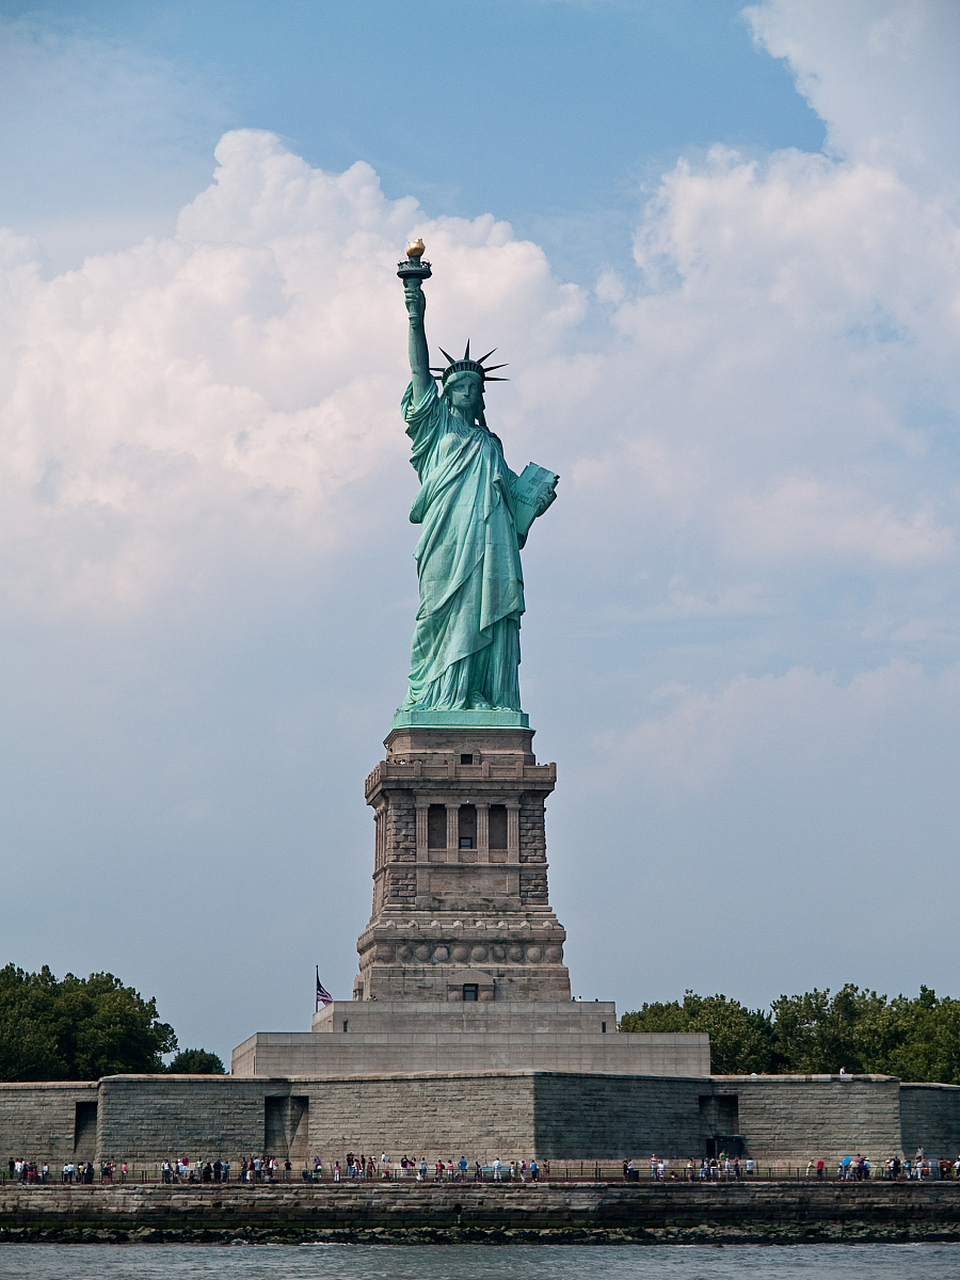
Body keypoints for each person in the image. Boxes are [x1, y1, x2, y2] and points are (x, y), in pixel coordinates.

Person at [397, 265, 557, 715]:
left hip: (491, 543)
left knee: (487, 609)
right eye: (459, 385)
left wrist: (534, 501)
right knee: (439, 613)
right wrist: (415, 313)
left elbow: (511, 504)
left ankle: (479, 694)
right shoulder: (436, 428)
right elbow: (417, 370)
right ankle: (439, 695)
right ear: (446, 394)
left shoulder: (490, 443)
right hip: (447, 541)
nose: (468, 391)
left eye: (475, 386)